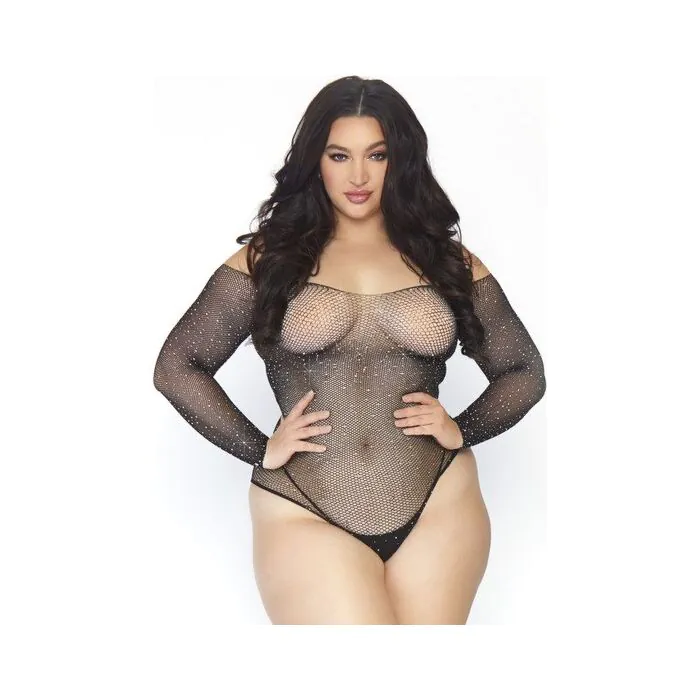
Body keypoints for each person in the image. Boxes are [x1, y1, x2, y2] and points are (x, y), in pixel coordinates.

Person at [153, 76, 546, 625]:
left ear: (400, 161)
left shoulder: (447, 261)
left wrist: (463, 428)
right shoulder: (268, 261)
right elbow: (177, 367)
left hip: (439, 501)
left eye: (376, 156)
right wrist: (259, 448)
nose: (358, 176)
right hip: (303, 505)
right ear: (316, 160)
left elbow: (524, 370)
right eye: (339, 155)